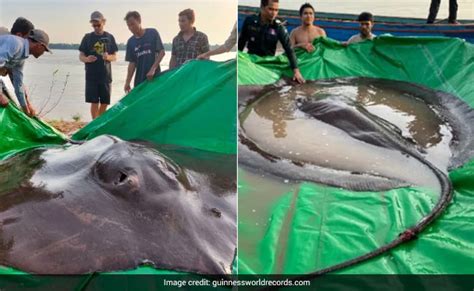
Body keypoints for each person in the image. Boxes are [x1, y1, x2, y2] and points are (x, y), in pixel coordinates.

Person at [0, 29, 50, 115]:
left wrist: (26, 108)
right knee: (3, 101)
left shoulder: (21, 58)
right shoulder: (15, 43)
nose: (43, 53)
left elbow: (18, 84)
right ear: (40, 45)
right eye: (44, 50)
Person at [79, 11, 118, 119]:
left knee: (105, 102)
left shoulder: (110, 37)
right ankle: (94, 123)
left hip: (106, 76)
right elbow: (81, 56)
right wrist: (86, 59)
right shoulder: (87, 37)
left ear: (103, 22)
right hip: (91, 76)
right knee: (94, 102)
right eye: (93, 25)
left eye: (98, 24)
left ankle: (98, 121)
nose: (96, 27)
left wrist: (108, 57)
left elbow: (115, 56)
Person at [0, 17, 36, 114]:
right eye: (29, 39)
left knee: (9, 102)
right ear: (19, 35)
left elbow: (17, 81)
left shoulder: (19, 52)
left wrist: (27, 105)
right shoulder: (12, 43)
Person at [124, 11, 165, 93]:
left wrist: (153, 69)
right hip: (139, 81)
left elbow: (162, 52)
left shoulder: (152, 33)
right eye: (128, 26)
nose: (131, 28)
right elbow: (132, 64)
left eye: (132, 24)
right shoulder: (130, 42)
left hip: (154, 77)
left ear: (139, 20)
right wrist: (127, 82)